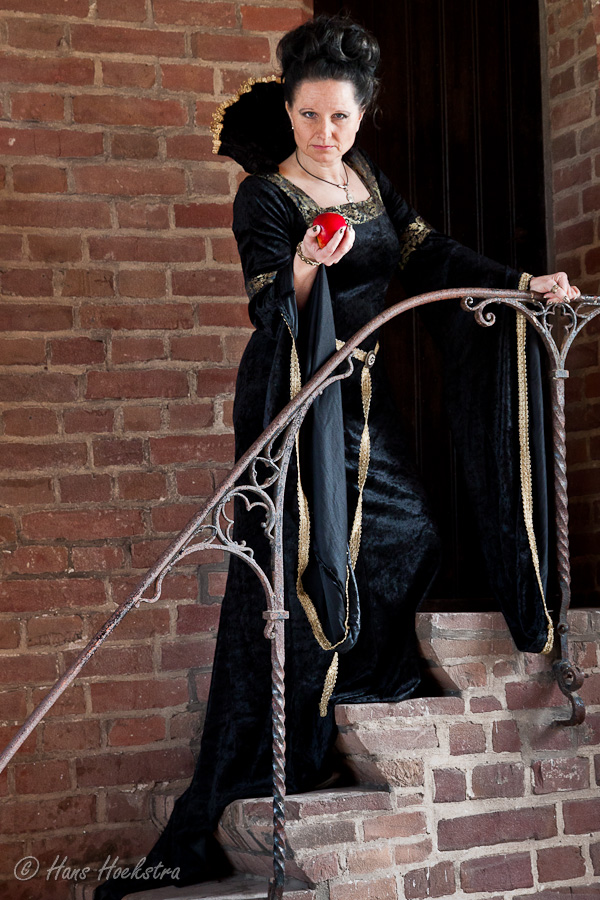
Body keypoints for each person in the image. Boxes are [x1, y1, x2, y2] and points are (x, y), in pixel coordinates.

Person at [95, 15, 580, 899]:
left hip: (361, 394)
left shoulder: (368, 179)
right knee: (295, 560)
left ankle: (349, 693)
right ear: (288, 110)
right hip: (294, 396)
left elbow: (427, 252)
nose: (325, 132)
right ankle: (292, 738)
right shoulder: (265, 196)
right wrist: (308, 264)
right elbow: (268, 305)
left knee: (412, 533)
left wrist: (521, 284)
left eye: (341, 118)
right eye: (310, 115)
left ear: (362, 116)